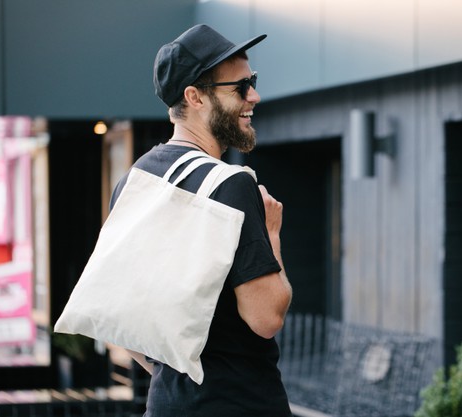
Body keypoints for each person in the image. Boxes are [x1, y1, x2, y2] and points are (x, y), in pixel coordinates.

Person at [109, 25, 293, 417]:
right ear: (194, 97)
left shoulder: (136, 182)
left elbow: (123, 319)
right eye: (240, 87)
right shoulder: (232, 185)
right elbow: (266, 318)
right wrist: (272, 236)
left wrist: (178, 374)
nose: (254, 96)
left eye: (253, 81)